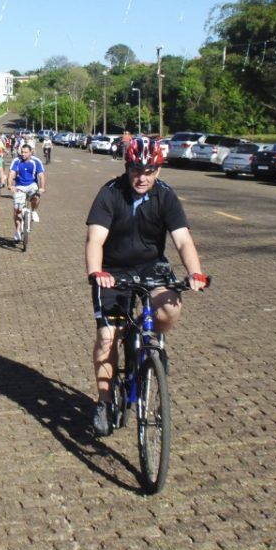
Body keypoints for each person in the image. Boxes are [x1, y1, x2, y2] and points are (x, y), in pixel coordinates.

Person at [85, 137, 208, 437]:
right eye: (137, 170)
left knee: (170, 308)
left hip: (152, 267)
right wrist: (96, 272)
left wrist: (195, 273)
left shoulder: (165, 195)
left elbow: (182, 240)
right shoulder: (110, 193)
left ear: (158, 170)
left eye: (150, 171)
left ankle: (147, 340)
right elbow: (95, 239)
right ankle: (103, 402)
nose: (143, 177)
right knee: (106, 338)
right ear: (127, 168)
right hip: (112, 271)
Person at [9, 143, 46, 241]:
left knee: (36, 196)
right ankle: (17, 231)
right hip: (20, 186)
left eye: (25, 152)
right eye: (22, 152)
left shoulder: (36, 161)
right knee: (17, 210)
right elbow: (11, 174)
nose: (23, 154)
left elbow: (41, 176)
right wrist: (10, 185)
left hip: (31, 185)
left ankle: (33, 211)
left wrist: (42, 188)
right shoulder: (16, 161)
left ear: (31, 152)